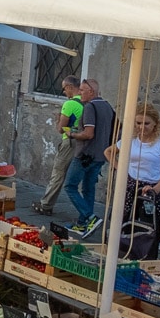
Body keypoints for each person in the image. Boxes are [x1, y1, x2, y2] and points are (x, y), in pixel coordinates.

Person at [102, 103, 160, 256]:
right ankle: (121, 251)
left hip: (149, 187)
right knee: (122, 219)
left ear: (155, 123)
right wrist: (120, 169)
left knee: (152, 224)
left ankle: (146, 253)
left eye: (146, 123)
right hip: (129, 183)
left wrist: (156, 189)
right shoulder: (131, 140)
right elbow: (109, 152)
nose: (142, 127)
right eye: (138, 123)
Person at [62, 79, 116, 231]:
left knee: (70, 185)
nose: (79, 93)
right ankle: (83, 223)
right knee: (88, 188)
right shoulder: (107, 106)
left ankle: (90, 217)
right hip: (101, 155)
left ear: (91, 92)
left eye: (82, 90)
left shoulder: (90, 107)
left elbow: (88, 134)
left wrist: (72, 134)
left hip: (85, 155)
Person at [31, 76, 85, 216]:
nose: (64, 92)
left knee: (58, 174)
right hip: (82, 143)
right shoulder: (86, 103)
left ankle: (46, 204)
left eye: (64, 89)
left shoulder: (69, 104)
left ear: (69, 87)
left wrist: (57, 120)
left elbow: (61, 129)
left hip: (69, 142)